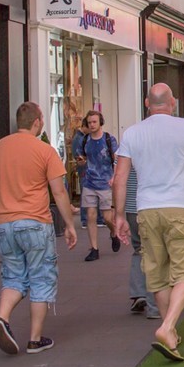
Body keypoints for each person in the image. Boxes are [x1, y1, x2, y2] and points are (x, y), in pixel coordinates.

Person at [111, 84, 184, 362]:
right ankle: (168, 326)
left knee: (157, 273)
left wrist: (119, 215)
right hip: (180, 208)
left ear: (148, 103)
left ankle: (169, 334)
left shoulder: (133, 133)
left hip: (146, 210)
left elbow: (120, 177)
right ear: (172, 102)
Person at [0, 101, 77, 355]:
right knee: (41, 277)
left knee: (13, 276)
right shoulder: (45, 150)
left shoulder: (0, 147)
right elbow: (59, 192)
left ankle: (3, 318)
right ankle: (35, 339)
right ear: (37, 121)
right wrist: (69, 224)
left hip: (4, 224)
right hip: (35, 222)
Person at [74, 111, 121, 262]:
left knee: (107, 217)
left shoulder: (109, 139)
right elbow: (81, 157)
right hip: (89, 182)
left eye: (94, 122)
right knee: (91, 215)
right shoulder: (85, 140)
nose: (92, 125)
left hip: (105, 182)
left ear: (100, 122)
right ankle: (94, 248)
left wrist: (114, 177)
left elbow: (117, 159)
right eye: (89, 123)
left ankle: (113, 232)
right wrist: (80, 161)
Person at [122, 158, 158, 320]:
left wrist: (117, 212)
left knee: (139, 250)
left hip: (131, 207)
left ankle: (138, 294)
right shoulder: (156, 147)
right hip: (151, 206)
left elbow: (119, 179)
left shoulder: (128, 145)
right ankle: (153, 305)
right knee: (154, 254)